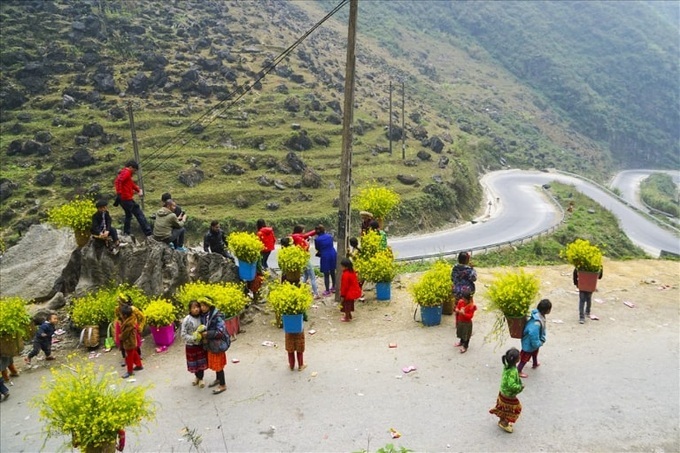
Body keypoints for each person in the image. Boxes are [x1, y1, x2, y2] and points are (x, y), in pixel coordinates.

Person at [489, 347, 524, 433]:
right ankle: (504, 423)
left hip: (502, 392)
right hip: (509, 395)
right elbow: (511, 385)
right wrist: (520, 387)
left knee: (503, 408)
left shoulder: (507, 365)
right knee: (515, 409)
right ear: (516, 360)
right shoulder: (512, 371)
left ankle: (501, 420)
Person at [198, 297, 229, 395]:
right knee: (215, 363)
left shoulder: (217, 316)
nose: (202, 308)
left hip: (217, 344)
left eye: (204, 305)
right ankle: (218, 379)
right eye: (201, 305)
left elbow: (221, 331)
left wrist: (208, 334)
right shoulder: (204, 315)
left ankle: (223, 385)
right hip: (211, 344)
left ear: (209, 305)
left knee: (219, 365)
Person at [114, 160, 152, 237]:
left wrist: (138, 190)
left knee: (128, 215)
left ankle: (126, 232)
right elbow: (119, 181)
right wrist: (119, 192)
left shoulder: (125, 174)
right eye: (134, 170)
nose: (134, 172)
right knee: (139, 214)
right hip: (126, 198)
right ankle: (148, 232)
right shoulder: (126, 172)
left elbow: (131, 184)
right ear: (130, 167)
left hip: (123, 199)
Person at [517, 299, 552, 378]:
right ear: (546, 310)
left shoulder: (538, 315)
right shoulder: (536, 323)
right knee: (525, 358)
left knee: (534, 353)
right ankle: (518, 370)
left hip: (532, 344)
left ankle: (535, 363)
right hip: (530, 344)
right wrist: (537, 343)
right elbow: (533, 334)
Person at [180, 300, 208, 388]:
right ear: (190, 309)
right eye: (193, 308)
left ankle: (201, 378)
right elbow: (183, 334)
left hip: (200, 345)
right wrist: (193, 338)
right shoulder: (187, 320)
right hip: (191, 346)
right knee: (194, 363)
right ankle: (197, 377)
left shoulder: (202, 318)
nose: (196, 309)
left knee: (201, 362)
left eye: (197, 307)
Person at [114, 294, 145, 367]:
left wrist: (140, 327)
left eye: (121, 302)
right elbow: (117, 317)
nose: (119, 304)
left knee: (134, 342)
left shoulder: (133, 309)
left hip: (132, 326)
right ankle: (125, 358)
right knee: (122, 343)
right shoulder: (117, 309)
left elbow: (142, 318)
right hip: (121, 326)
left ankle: (137, 357)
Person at [291, 225, 319, 298]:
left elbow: (307, 235)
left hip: (301, 259)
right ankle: (316, 293)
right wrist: (307, 242)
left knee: (305, 276)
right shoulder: (299, 238)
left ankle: (299, 290)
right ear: (300, 230)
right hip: (305, 259)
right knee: (312, 276)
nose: (304, 231)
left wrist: (315, 231)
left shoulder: (295, 236)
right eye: (303, 230)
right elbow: (304, 248)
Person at [119, 305, 143, 379]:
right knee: (134, 353)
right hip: (132, 342)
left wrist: (120, 337)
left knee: (129, 357)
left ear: (125, 315)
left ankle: (130, 371)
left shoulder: (129, 323)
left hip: (129, 342)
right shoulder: (132, 319)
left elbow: (125, 334)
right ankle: (139, 365)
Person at [314, 225, 337, 296]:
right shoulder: (330, 236)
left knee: (326, 273)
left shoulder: (317, 240)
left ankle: (327, 290)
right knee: (333, 271)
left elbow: (318, 248)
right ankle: (334, 287)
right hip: (333, 253)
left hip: (325, 255)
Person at [339, 258, 362, 322]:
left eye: (342, 266)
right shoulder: (352, 272)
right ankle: (349, 315)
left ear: (345, 267)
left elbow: (344, 286)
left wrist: (342, 295)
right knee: (350, 304)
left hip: (348, 292)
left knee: (346, 305)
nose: (341, 268)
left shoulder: (345, 274)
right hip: (353, 291)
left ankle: (347, 317)